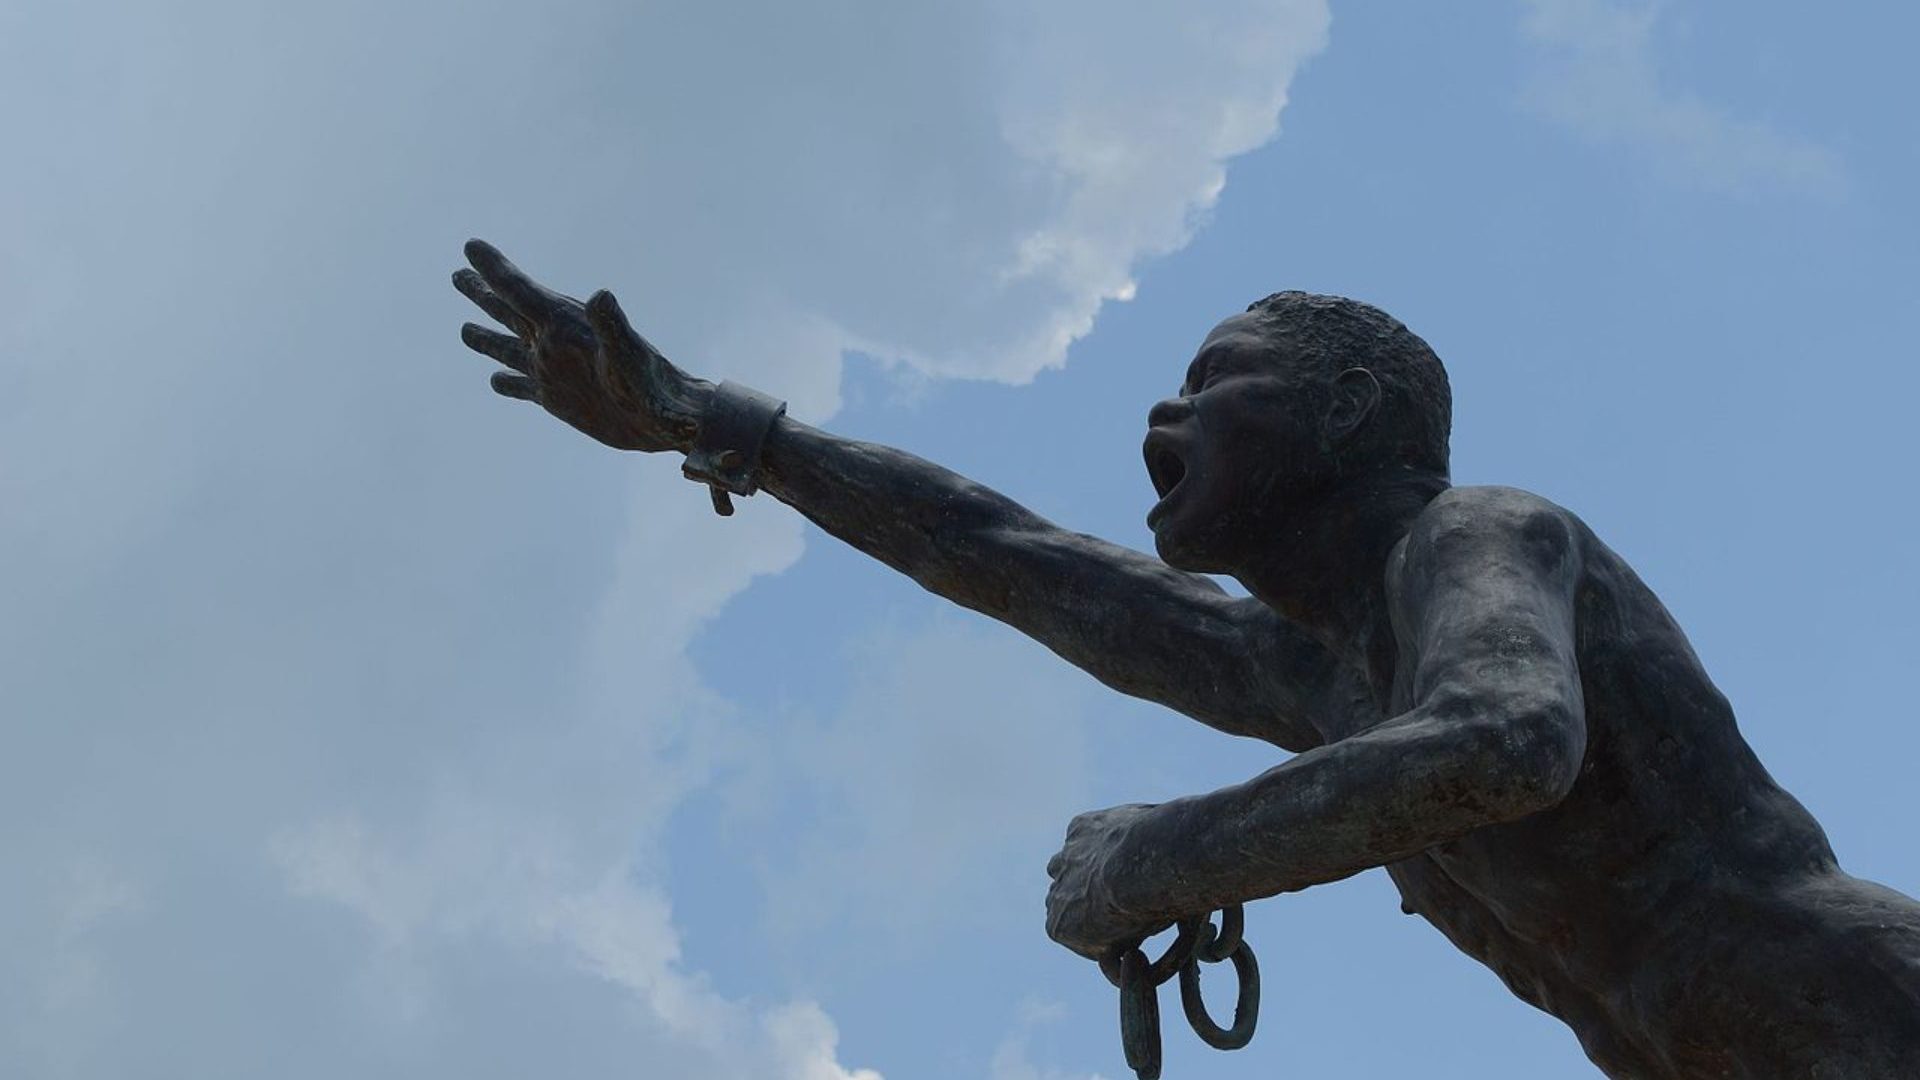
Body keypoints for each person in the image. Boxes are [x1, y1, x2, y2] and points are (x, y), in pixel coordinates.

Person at [452, 239, 1920, 1077]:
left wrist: (1164, 861)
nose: (1160, 424)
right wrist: (728, 428)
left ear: (1349, 411)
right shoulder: (1316, 674)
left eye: (1212, 384)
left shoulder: (1478, 536)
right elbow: (1011, 558)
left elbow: (1506, 742)